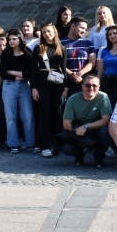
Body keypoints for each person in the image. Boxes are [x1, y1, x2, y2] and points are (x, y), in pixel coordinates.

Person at [0, 28, 36, 152]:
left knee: (28, 116)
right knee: (10, 116)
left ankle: (30, 143)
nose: (11, 41)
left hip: (24, 86)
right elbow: (3, 74)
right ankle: (13, 144)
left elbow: (31, 73)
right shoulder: (6, 54)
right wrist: (20, 75)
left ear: (20, 39)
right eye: (10, 39)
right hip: (9, 86)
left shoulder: (28, 53)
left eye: (14, 39)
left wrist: (13, 72)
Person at [59, 74, 112, 166]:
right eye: (88, 85)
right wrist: (84, 136)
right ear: (82, 86)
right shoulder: (72, 99)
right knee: (67, 148)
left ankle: (99, 157)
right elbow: (66, 124)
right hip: (77, 130)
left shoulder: (103, 97)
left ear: (99, 87)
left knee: (105, 131)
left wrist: (86, 127)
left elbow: (106, 120)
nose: (91, 88)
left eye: (94, 85)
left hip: (96, 129)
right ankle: (79, 156)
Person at [32, 22, 67, 155]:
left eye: (49, 31)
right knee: (43, 114)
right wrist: (34, 88)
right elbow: (33, 70)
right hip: (42, 83)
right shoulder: (38, 48)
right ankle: (44, 144)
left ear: (54, 31)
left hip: (57, 83)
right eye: (44, 32)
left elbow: (63, 69)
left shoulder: (61, 48)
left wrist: (66, 88)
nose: (47, 34)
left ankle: (56, 143)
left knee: (57, 114)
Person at [61, 16, 95, 96]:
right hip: (65, 82)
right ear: (73, 26)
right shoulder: (60, 43)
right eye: (82, 28)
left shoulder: (88, 43)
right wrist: (71, 74)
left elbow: (92, 62)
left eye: (85, 29)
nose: (84, 31)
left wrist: (79, 74)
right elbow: (59, 62)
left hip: (83, 82)